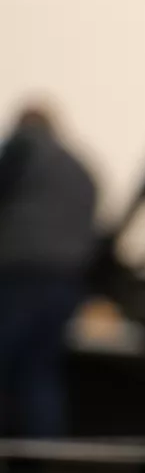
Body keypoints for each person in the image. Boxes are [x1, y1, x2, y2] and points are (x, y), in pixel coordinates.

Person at [0, 103, 98, 437]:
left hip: (20, 271)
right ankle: (45, 458)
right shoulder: (83, 167)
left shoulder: (24, 145)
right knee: (40, 373)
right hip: (68, 280)